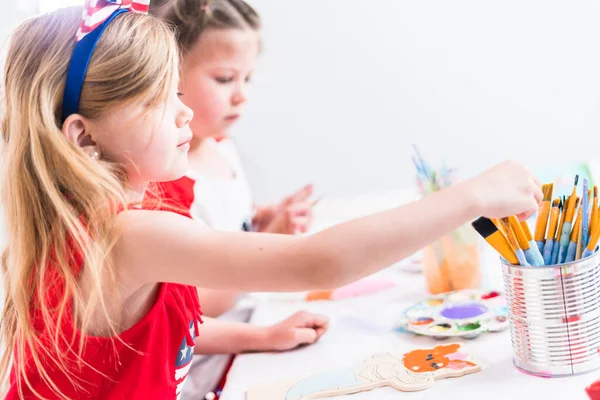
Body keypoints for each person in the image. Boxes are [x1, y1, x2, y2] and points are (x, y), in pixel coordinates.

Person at [0, 3, 542, 400]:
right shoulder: (124, 234)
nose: (185, 114)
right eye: (158, 101)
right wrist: (471, 196)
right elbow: (319, 261)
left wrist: (258, 336)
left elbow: (154, 332)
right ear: (85, 136)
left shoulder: (121, 226)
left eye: (179, 95)